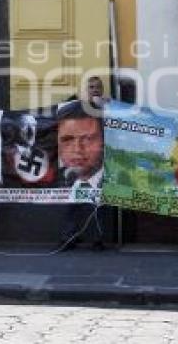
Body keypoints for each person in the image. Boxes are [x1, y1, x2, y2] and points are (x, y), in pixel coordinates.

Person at [57, 100, 105, 251]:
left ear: (103, 141)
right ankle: (69, 237)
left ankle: (98, 239)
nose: (77, 149)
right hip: (70, 186)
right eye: (67, 140)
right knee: (70, 208)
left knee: (99, 209)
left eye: (88, 139)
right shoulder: (61, 177)